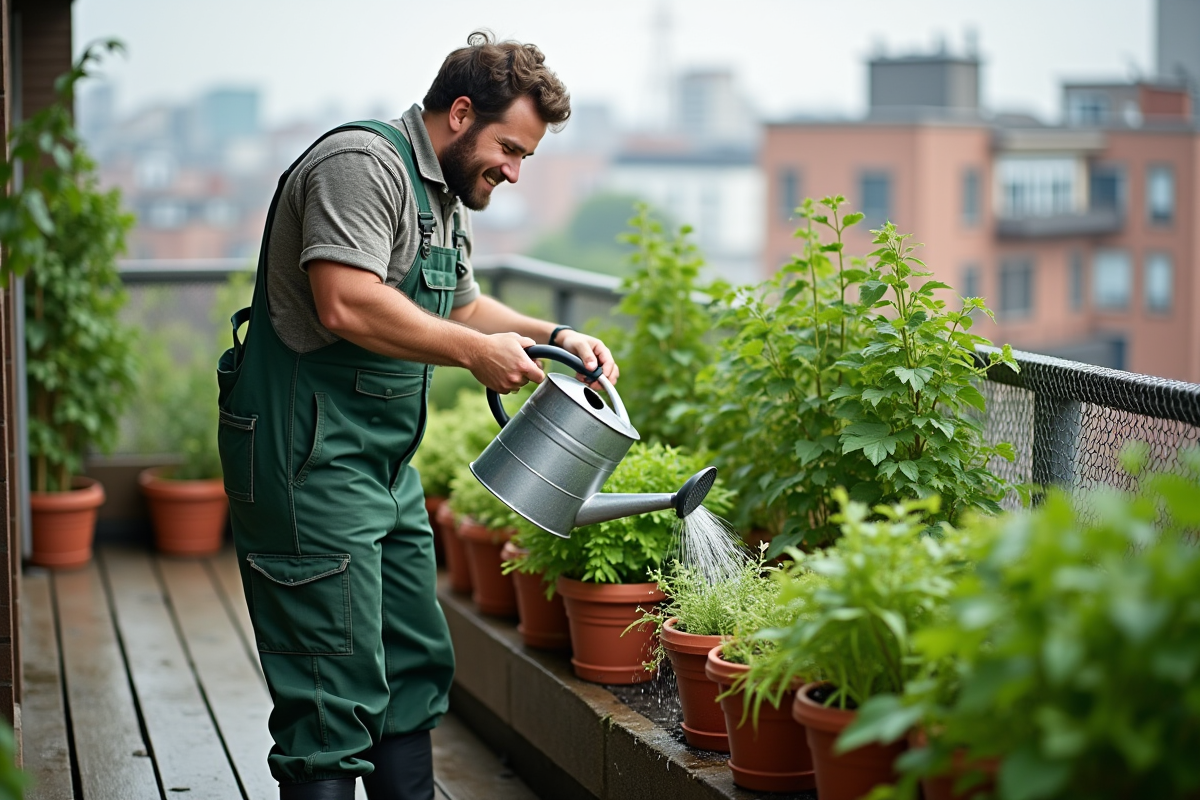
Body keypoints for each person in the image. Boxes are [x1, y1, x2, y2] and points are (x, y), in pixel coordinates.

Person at [216, 30, 619, 800]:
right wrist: (474, 354)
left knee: (410, 663)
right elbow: (343, 300)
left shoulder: (441, 194)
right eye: (511, 147)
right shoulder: (362, 168)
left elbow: (462, 302)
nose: (515, 170)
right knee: (330, 695)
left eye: (527, 157)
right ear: (461, 114)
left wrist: (556, 335)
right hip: (308, 463)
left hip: (383, 469)